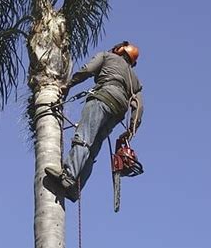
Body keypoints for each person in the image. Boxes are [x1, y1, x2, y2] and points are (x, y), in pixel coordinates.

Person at [45, 41, 144, 201]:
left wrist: (69, 85)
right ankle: (76, 189)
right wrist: (130, 131)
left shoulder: (107, 56)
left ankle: (68, 176)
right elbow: (138, 108)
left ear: (120, 50)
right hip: (117, 112)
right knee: (93, 149)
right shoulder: (135, 80)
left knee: (84, 138)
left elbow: (88, 70)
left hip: (102, 99)